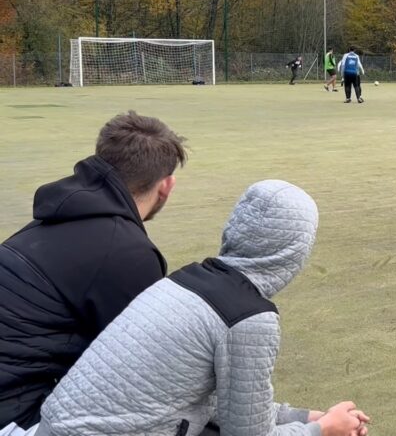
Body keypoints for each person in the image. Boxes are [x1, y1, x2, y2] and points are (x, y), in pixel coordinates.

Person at [34, 180, 371, 436]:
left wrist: (306, 417)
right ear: (295, 250)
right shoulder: (247, 316)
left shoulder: (184, 280)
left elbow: (216, 404)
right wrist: (323, 430)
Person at [0, 112, 187, 430]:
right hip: (17, 419)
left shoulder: (52, 217)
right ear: (166, 186)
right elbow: (146, 373)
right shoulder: (127, 251)